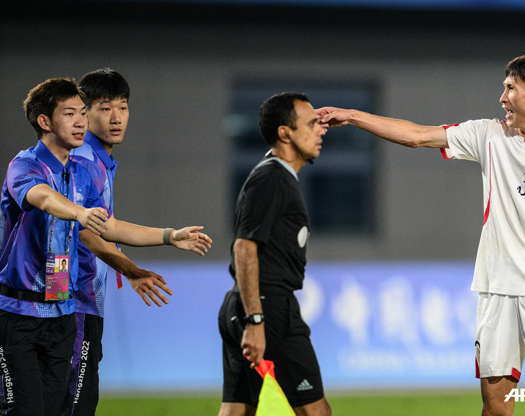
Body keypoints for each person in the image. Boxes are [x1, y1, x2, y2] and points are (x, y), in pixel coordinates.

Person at [316, 54, 525, 416]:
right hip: (497, 291)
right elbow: (418, 136)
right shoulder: (488, 135)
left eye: (510, 88)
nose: (502, 98)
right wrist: (354, 116)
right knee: (496, 408)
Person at [0, 78, 210, 415]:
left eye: (82, 113)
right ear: (44, 122)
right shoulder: (26, 165)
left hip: (62, 312)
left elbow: (110, 226)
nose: (81, 121)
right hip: (18, 313)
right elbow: (41, 197)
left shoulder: (81, 173)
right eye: (71, 114)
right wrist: (81, 213)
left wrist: (170, 236)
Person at [58, 68, 213, 416]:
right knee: (74, 405)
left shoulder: (97, 160)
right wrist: (130, 269)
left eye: (123, 107)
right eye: (104, 107)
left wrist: (171, 237)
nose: (116, 117)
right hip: (72, 302)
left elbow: (108, 226)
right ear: (84, 113)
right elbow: (86, 232)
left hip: (81, 302)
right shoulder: (83, 160)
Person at [218, 92, 331, 416]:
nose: (321, 130)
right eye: (311, 124)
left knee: (237, 410)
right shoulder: (271, 177)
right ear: (285, 133)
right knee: (316, 412)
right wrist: (256, 320)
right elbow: (244, 246)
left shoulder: (278, 177)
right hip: (267, 308)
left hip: (243, 304)